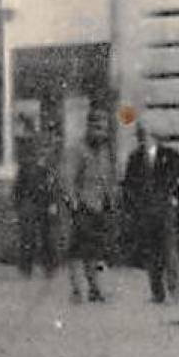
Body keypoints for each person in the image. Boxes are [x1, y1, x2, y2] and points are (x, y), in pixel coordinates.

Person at [121, 124, 179, 303]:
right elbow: (128, 184)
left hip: (165, 210)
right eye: (140, 137)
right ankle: (157, 293)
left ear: (155, 137)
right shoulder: (135, 158)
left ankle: (175, 291)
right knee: (151, 253)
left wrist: (176, 196)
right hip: (145, 211)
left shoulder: (169, 156)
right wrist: (133, 204)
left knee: (169, 251)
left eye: (146, 136)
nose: (142, 140)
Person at [66, 109, 116, 304]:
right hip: (83, 206)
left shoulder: (105, 151)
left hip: (101, 206)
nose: (100, 132)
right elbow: (68, 178)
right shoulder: (78, 150)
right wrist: (74, 203)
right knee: (78, 250)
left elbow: (108, 177)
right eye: (96, 127)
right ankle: (77, 289)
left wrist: (111, 199)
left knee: (97, 250)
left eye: (103, 128)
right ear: (89, 128)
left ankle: (95, 288)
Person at [12, 117, 63, 278]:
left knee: (48, 236)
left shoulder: (50, 167)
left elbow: (54, 185)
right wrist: (18, 203)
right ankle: (26, 268)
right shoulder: (27, 165)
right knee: (28, 236)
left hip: (45, 202)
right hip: (29, 201)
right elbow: (19, 185)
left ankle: (49, 267)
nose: (42, 151)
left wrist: (54, 202)